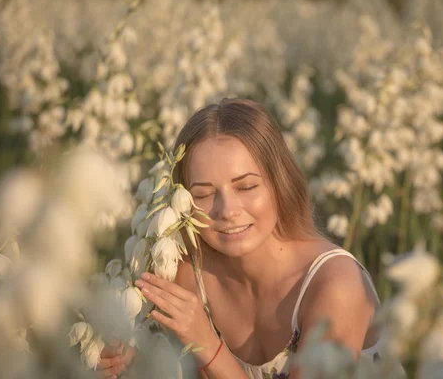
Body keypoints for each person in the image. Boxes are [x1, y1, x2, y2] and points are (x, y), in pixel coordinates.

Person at [98, 98, 382, 379]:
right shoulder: (190, 276)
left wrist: (206, 344)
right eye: (203, 194)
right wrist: (136, 366)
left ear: (279, 182)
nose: (228, 211)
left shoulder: (337, 285)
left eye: (246, 186)